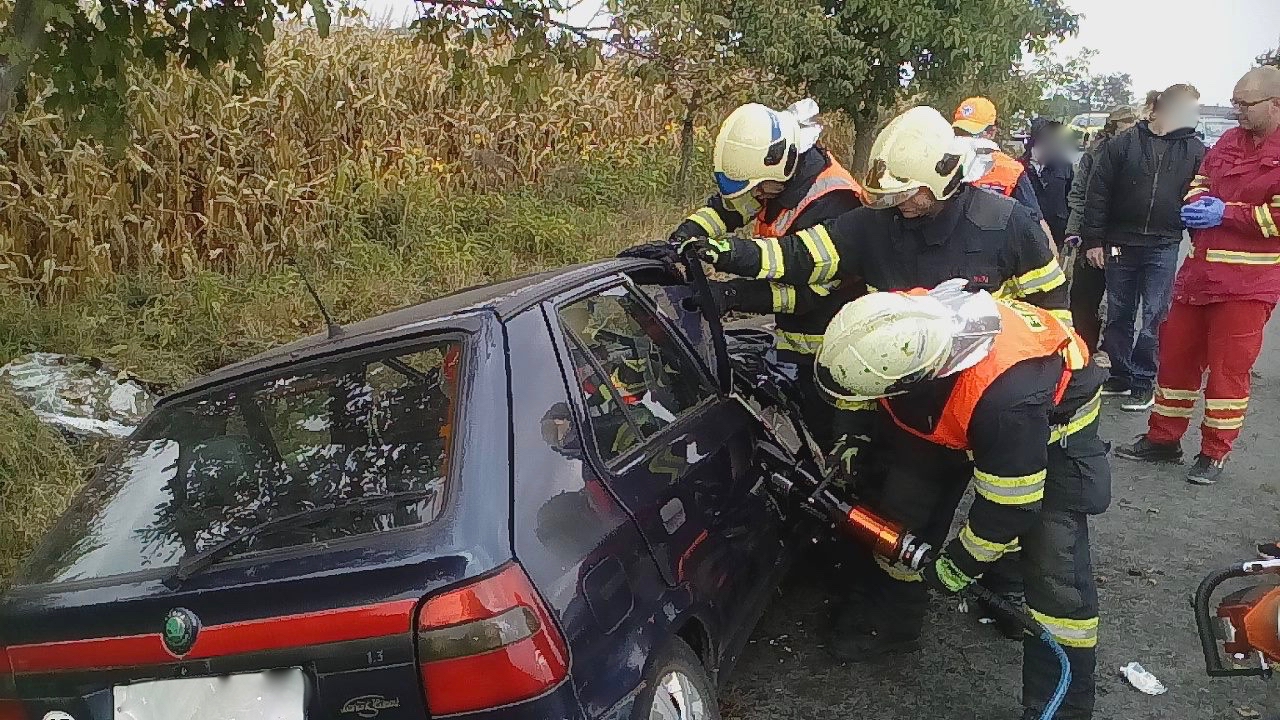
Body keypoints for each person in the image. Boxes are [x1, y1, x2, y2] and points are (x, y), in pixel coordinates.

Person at [675, 105, 1070, 640]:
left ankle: (1001, 596)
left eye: (908, 194)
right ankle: (896, 622)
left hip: (993, 405)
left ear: (944, 175)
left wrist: (1039, 397)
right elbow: (799, 256)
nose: (897, 205)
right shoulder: (874, 225)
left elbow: (1055, 317)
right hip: (911, 410)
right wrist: (730, 253)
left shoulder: (1006, 226)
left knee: (1013, 511)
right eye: (888, 195)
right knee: (902, 513)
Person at [815, 282, 1109, 720]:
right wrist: (852, 436)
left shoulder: (1008, 399)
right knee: (905, 506)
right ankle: (896, 622)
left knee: (1055, 569)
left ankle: (1059, 706)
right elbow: (854, 386)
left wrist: (957, 567)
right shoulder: (897, 328)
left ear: (911, 380)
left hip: (1052, 428)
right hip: (952, 408)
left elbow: (1010, 507)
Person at [1115, 66, 1280, 485]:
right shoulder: (1227, 141)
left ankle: (1214, 453)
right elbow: (1200, 181)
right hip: (1200, 276)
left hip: (1248, 286)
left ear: (1275, 104)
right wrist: (1199, 201)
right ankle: (1163, 439)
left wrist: (1227, 213)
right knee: (1175, 360)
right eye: (1236, 102)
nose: (1236, 111)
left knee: (1228, 373)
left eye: (1245, 104)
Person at [667, 99, 863, 448]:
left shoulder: (836, 202)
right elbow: (726, 210)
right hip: (793, 343)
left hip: (834, 350)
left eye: (759, 188)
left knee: (835, 444)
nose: (756, 195)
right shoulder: (776, 177)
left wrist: (731, 294)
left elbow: (805, 296)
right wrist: (682, 238)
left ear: (783, 165)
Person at [1081, 83, 1206, 412]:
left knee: (1154, 314)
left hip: (1163, 246)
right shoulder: (1123, 143)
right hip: (1119, 244)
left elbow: (1201, 196)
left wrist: (1200, 242)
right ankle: (1120, 378)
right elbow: (1098, 193)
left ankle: (1142, 381)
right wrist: (1093, 241)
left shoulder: (1194, 150)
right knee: (1119, 313)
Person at [1065, 106, 1140, 353]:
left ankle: (1114, 352)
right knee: (1084, 297)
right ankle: (1083, 348)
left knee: (1120, 299)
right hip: (1091, 236)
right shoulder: (1094, 154)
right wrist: (1073, 231)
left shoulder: (1141, 152)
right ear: (1113, 127)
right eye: (1124, 125)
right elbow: (1078, 195)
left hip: (1121, 241)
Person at [953, 97, 1044, 215]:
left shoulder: (1011, 171)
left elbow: (1035, 219)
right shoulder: (940, 164)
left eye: (972, 133)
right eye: (960, 133)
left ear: (991, 133)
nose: (965, 139)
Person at [1021, 119, 1075, 251]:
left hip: (1057, 232)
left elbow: (1072, 198)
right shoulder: (1019, 167)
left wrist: (1072, 230)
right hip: (1025, 232)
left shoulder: (1064, 166)